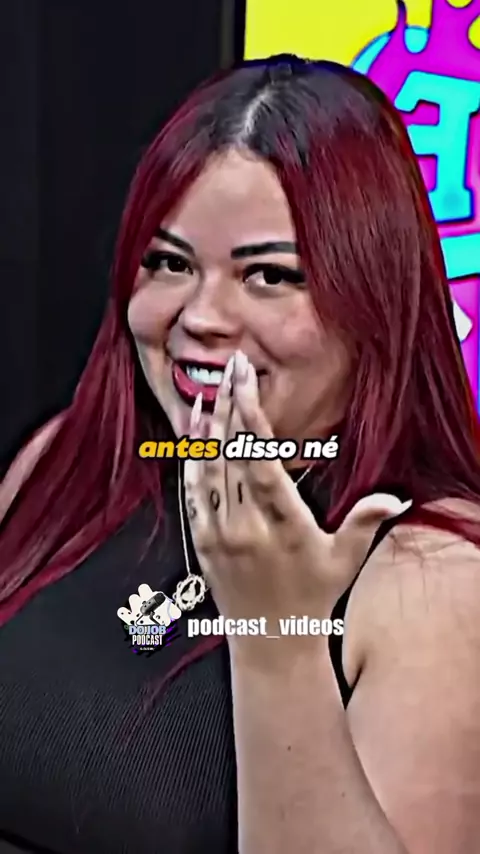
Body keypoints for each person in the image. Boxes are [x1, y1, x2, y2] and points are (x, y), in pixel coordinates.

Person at [0, 49, 479, 854]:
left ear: (375, 302)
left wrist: (277, 633)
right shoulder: (69, 462)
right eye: (170, 264)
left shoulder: (435, 574)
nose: (200, 317)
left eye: (268, 277)